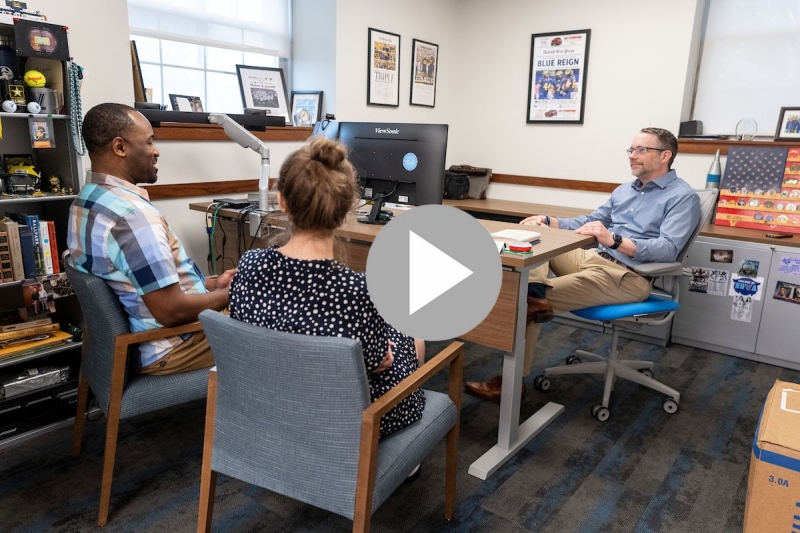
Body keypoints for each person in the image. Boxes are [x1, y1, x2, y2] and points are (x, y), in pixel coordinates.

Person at [466, 127, 701, 400]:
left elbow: (668, 249)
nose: (632, 156)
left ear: (665, 156)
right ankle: (537, 293)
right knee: (538, 237)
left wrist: (613, 240)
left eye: (641, 150)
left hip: (626, 277)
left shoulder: (683, 197)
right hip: (593, 258)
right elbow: (591, 221)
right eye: (631, 150)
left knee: (521, 301)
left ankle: (510, 382)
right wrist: (548, 220)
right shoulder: (625, 190)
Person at [228, 137, 426, 438]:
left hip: (269, 404)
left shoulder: (250, 263)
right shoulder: (360, 291)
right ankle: (407, 450)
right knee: (412, 332)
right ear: (346, 207)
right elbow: (378, 363)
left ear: (281, 200)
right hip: (339, 421)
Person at [67, 103, 235, 376]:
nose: (156, 151)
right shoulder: (133, 217)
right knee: (279, 315)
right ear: (120, 147)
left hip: (136, 340)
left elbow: (136, 283)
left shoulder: (86, 202)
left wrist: (211, 285)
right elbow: (171, 311)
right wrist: (236, 295)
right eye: (149, 142)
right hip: (174, 345)